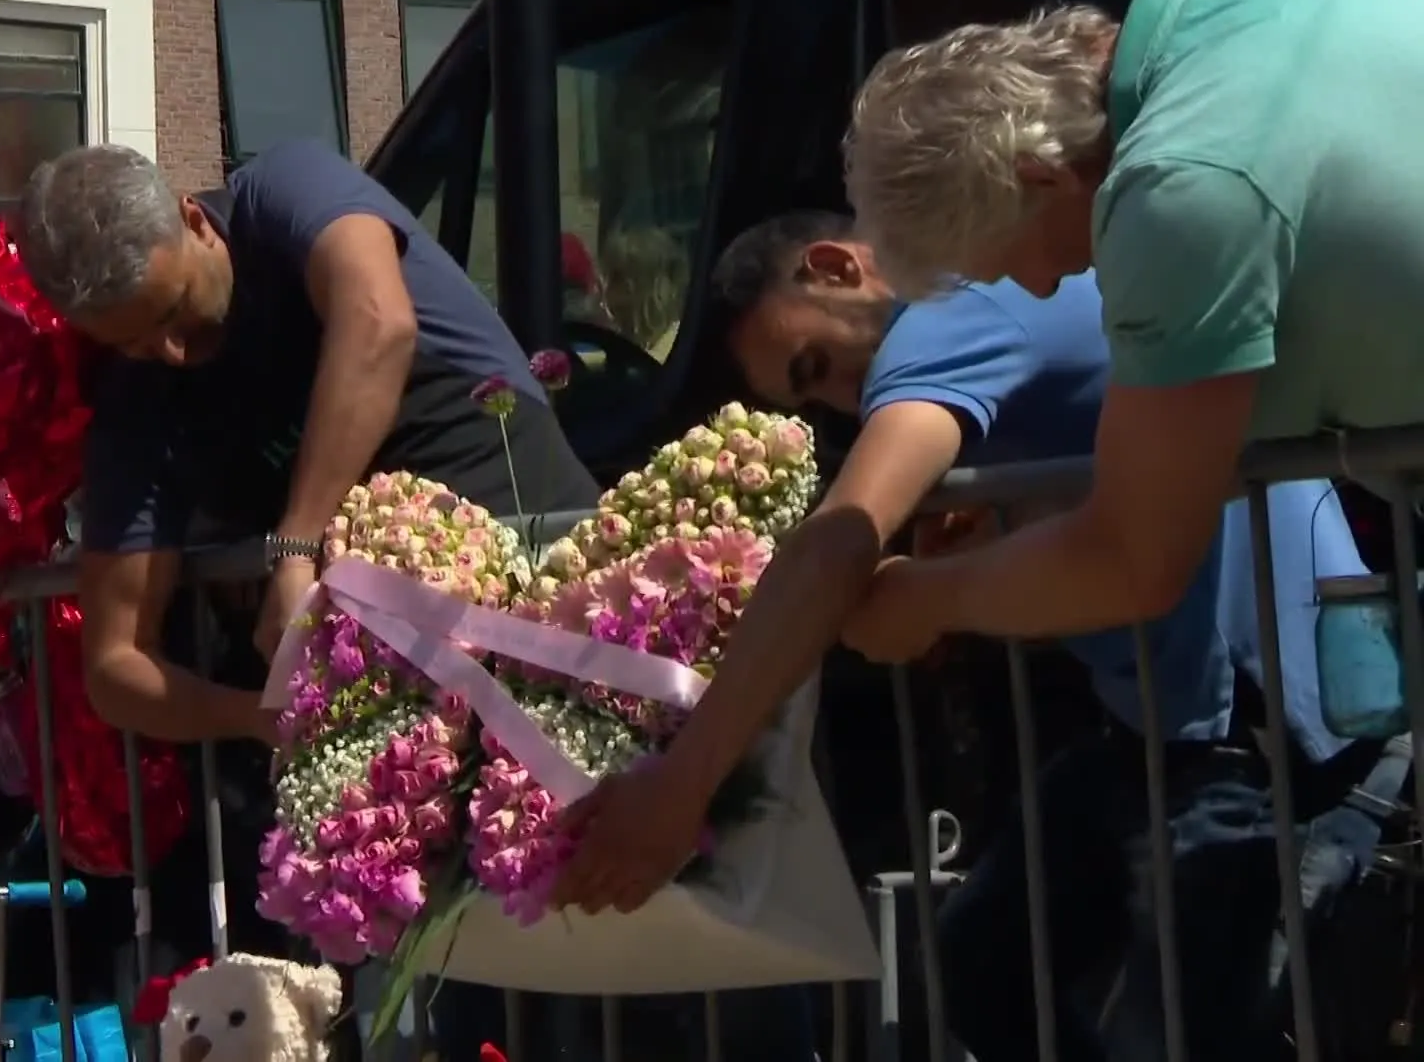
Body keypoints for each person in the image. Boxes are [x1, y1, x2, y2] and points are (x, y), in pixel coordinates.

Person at [551, 213, 1392, 1058]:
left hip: (1257, 733)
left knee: (1162, 1024)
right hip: (1167, 725)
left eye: (820, 365)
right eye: (813, 396)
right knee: (982, 964)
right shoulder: (1000, 298)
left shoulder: (943, 320)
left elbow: (841, 539)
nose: (847, 400)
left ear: (836, 266)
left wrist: (681, 787)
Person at [14, 139, 598, 1061]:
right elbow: (116, 665)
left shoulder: (287, 191)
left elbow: (379, 322)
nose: (169, 352)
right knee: (477, 993)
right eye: (129, 342)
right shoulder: (139, 402)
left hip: (549, 608)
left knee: (630, 942)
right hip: (412, 736)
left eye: (173, 314)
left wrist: (295, 544)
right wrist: (260, 715)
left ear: (197, 221)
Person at [823, 0, 1424, 662]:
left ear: (1040, 178)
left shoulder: (1172, 200)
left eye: (1008, 263)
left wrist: (919, 600)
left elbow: (1132, 561)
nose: (1041, 287)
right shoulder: (1257, 4)